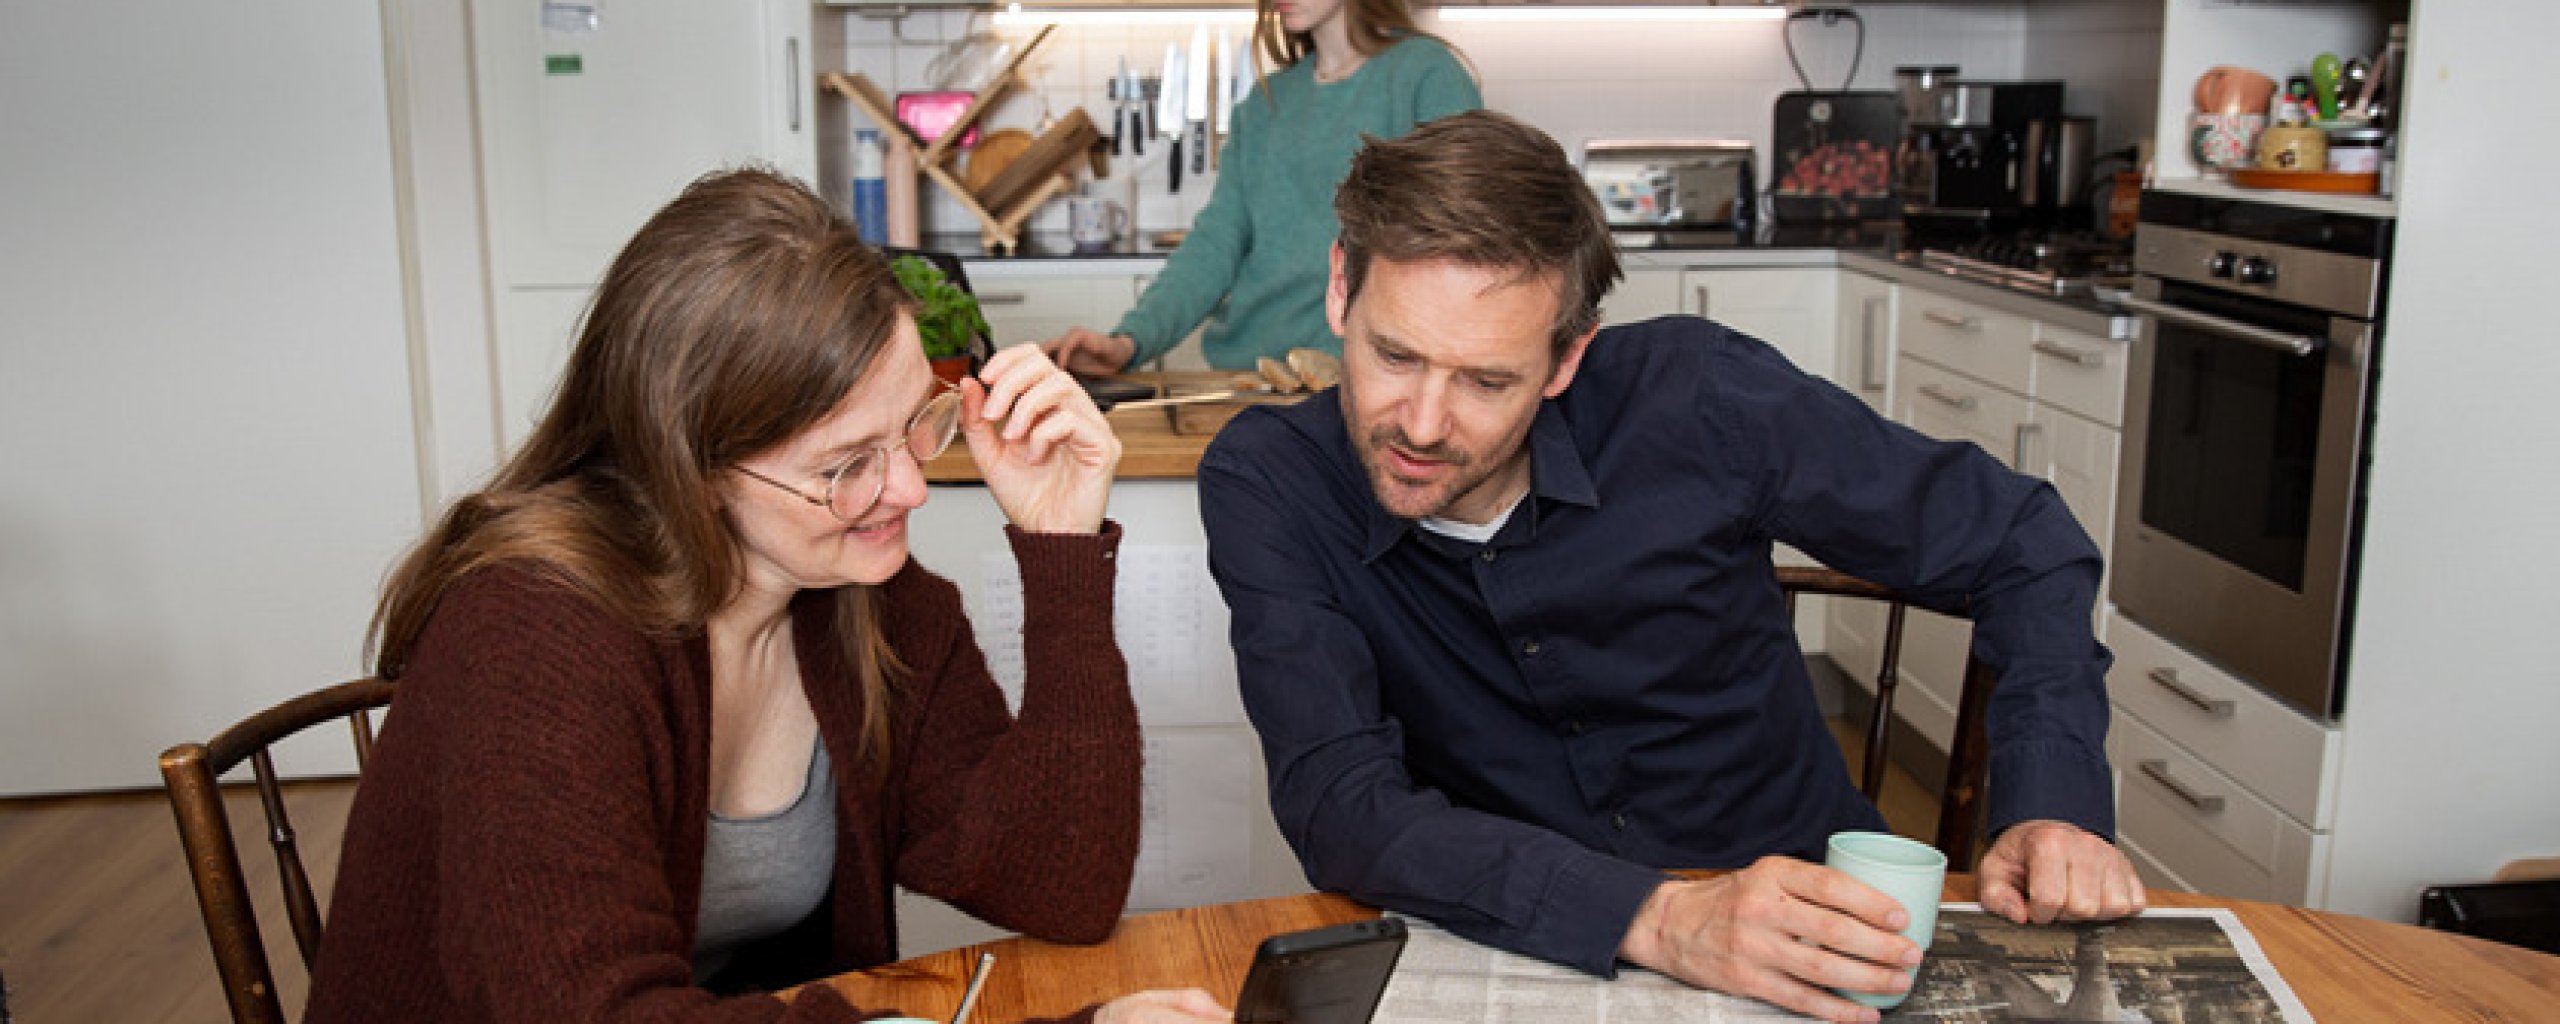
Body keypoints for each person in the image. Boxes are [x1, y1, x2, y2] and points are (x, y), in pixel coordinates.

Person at [1196, 110, 2145, 1024]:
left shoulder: (1704, 398)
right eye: (1394, 354)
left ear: (1567, 358)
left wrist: (2054, 807)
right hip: (1529, 947)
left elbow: (2023, 541)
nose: (1423, 424)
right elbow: (1343, 807)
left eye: (1488, 381)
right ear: (1339, 290)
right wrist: (1664, 919)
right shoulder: (1272, 482)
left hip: (1825, 927)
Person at [306, 169, 1228, 1024]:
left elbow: (1058, 887)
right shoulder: (533, 637)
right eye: (844, 467)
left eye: (917, 425)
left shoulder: (876, 604)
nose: (909, 489)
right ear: (693, 469)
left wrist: (1059, 550)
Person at [1040, 0, 1478, 375]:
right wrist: (1129, 342)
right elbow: (1215, 243)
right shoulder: (1266, 103)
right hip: (1252, 376)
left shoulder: (1428, 74)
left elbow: (1457, 241)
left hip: (1364, 381)